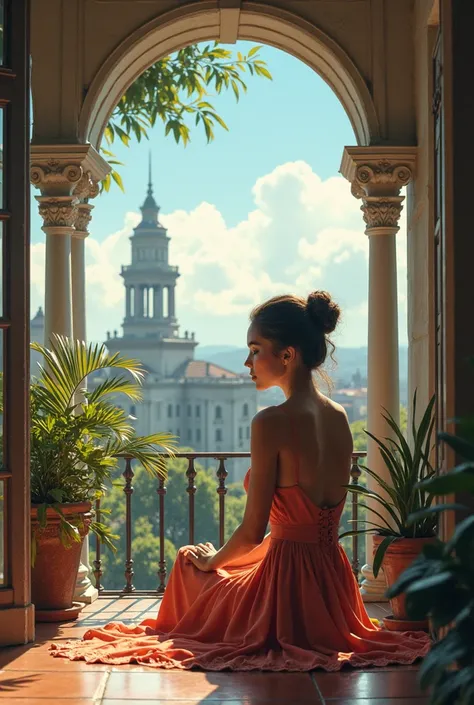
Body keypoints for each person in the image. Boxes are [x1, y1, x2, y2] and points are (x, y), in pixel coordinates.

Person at [50, 291, 431, 670]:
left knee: (188, 561)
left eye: (255, 349)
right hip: (333, 584)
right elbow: (299, 529)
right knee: (214, 564)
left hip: (284, 587)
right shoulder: (339, 415)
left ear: (288, 355)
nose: (247, 362)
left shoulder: (271, 422)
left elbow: (253, 532)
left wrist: (210, 561)